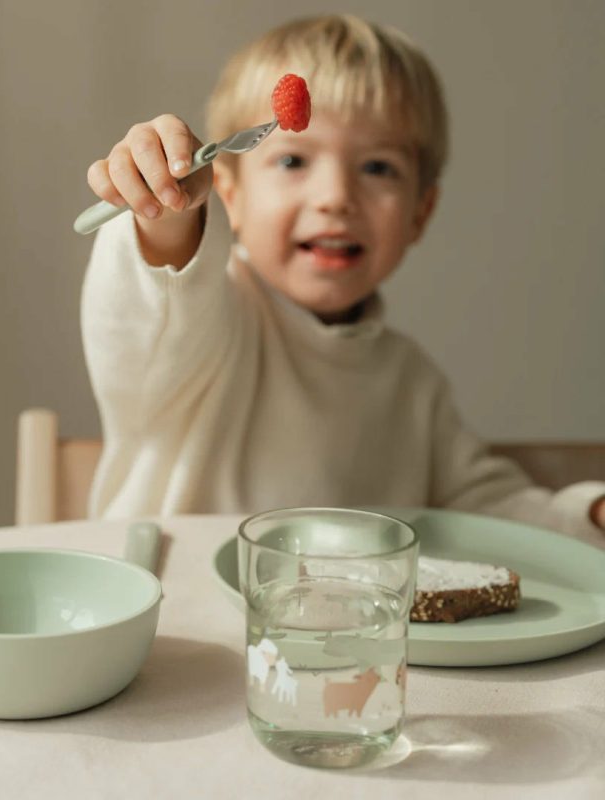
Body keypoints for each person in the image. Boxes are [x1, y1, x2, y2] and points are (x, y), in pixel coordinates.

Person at [79, 14, 605, 542]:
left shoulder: (411, 383)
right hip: (173, 616)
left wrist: (589, 516)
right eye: (292, 161)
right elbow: (158, 303)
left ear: (420, 213)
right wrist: (170, 212)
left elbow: (482, 507)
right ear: (230, 197)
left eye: (377, 168)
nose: (335, 197)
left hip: (345, 625)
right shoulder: (209, 327)